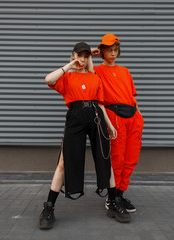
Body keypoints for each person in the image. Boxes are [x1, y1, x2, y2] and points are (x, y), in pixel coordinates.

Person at [39, 42, 130, 230]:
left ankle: (113, 203)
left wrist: (110, 124)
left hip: (96, 117)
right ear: (73, 55)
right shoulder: (67, 76)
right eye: (78, 55)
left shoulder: (95, 77)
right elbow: (48, 79)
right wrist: (70, 65)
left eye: (85, 56)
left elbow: (101, 104)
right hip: (75, 117)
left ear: (89, 58)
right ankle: (49, 207)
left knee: (106, 160)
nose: (82, 59)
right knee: (64, 162)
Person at [92, 34, 144, 213]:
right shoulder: (98, 70)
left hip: (133, 116)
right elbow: (84, 67)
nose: (113, 53)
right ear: (102, 51)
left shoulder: (125, 71)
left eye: (115, 50)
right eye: (109, 50)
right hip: (114, 116)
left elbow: (133, 96)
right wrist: (93, 53)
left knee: (131, 158)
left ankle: (121, 194)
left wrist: (139, 115)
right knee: (117, 158)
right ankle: (112, 196)